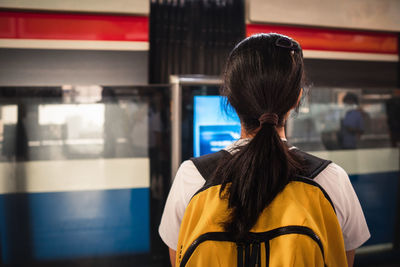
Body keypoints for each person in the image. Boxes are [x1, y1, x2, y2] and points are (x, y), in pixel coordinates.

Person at [159, 33, 370, 267]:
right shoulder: (331, 179)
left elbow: (177, 259)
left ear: (230, 99)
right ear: (296, 98)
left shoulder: (192, 176)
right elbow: (342, 261)